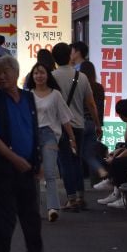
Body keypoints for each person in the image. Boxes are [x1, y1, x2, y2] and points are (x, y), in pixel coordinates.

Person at [0, 55, 55, 252]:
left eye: (5, 71)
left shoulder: (27, 98)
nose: (0, 76)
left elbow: (34, 130)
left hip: (28, 168)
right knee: (4, 219)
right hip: (4, 170)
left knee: (31, 217)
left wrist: (38, 161)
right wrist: (15, 158)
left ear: (15, 73)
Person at [52, 42, 102, 212]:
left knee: (65, 162)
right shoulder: (82, 77)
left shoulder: (52, 77)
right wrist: (97, 124)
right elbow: (91, 103)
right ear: (69, 56)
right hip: (79, 126)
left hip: (60, 127)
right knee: (77, 162)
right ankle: (80, 197)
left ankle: (71, 198)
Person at [25, 62, 75, 223]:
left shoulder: (55, 95)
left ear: (48, 75)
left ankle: (53, 208)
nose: (39, 76)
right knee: (33, 174)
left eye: (42, 73)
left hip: (49, 135)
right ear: (32, 76)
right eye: (36, 73)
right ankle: (34, 209)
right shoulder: (28, 95)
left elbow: (64, 118)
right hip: (31, 136)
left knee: (49, 171)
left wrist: (72, 138)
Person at [79, 60, 107, 183]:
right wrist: (99, 125)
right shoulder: (99, 88)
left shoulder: (80, 86)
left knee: (84, 153)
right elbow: (100, 108)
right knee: (92, 151)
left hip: (80, 122)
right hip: (94, 123)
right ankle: (95, 180)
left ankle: (98, 171)